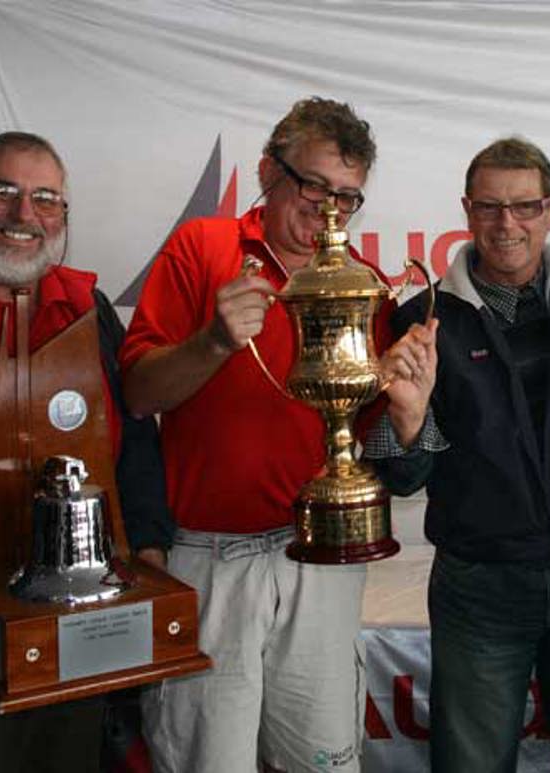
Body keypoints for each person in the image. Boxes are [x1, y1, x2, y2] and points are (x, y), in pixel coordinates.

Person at [121, 96, 435, 773]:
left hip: (320, 561)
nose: (329, 208)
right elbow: (139, 394)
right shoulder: (202, 248)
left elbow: (374, 443)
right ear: (269, 169)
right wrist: (212, 341)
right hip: (208, 559)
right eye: (314, 185)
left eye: (348, 197)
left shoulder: (367, 285)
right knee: (209, 761)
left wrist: (411, 419)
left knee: (323, 759)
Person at [0, 131, 173, 773]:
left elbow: (134, 439)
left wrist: (148, 546)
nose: (24, 216)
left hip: (76, 630)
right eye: (3, 192)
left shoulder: (86, 307)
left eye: (46, 199)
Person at [366, 136, 550, 772]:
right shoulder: (421, 318)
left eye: (524, 206)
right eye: (490, 206)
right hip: (479, 589)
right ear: (466, 210)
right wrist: (406, 419)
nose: (507, 223)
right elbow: (404, 478)